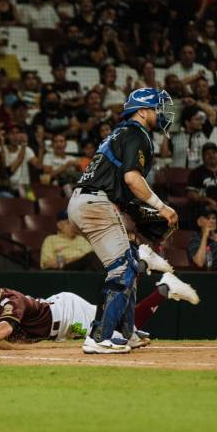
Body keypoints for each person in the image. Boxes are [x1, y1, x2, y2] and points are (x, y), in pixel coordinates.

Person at [69, 88, 178, 354]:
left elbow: (123, 187)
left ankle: (127, 333)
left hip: (86, 201)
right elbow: (132, 178)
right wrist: (161, 208)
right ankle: (99, 337)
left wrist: (136, 217)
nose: (160, 113)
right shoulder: (136, 133)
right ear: (142, 111)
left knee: (128, 261)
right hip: (96, 203)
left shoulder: (121, 133)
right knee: (123, 269)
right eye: (156, 108)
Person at [0, 264, 198, 350]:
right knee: (124, 332)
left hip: (67, 315)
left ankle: (162, 285)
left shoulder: (9, 299)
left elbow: (5, 327)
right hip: (61, 325)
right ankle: (154, 285)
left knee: (126, 329)